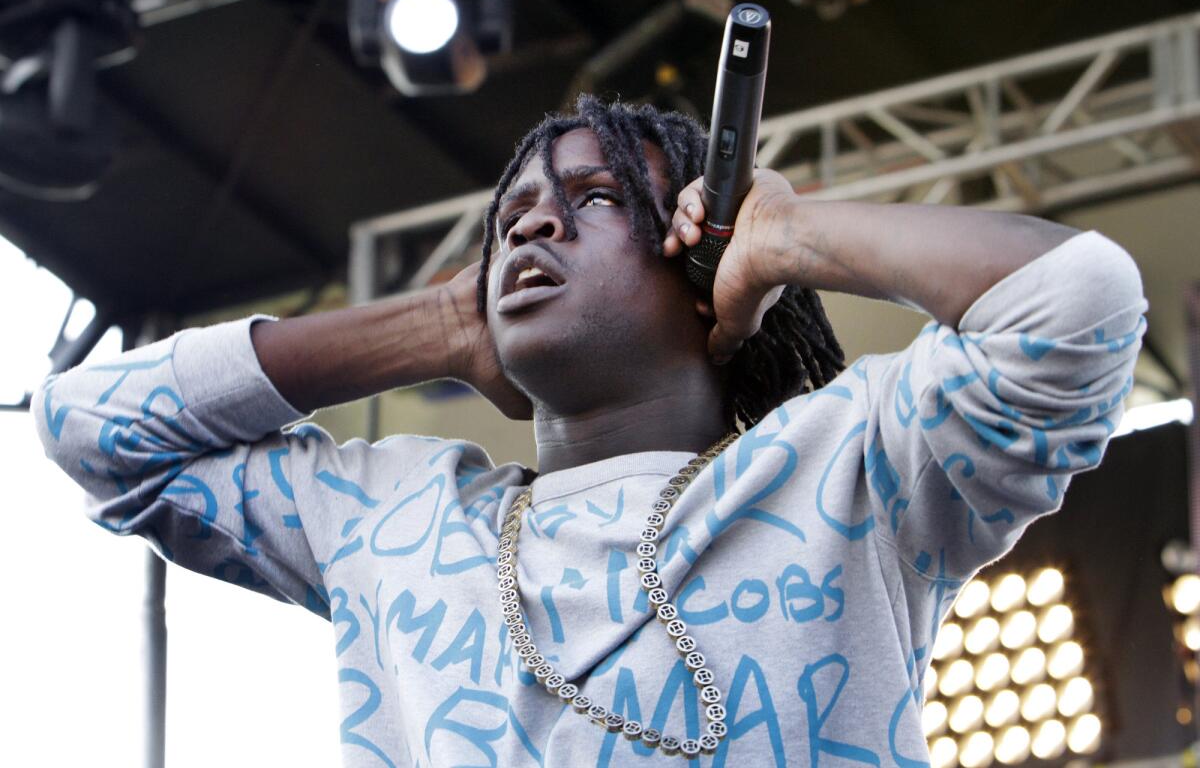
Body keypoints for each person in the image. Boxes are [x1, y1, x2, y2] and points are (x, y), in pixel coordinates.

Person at [34, 96, 1145, 766]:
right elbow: (90, 427)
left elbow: (1079, 304)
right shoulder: (393, 515)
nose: (533, 217)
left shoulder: (852, 465)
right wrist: (436, 320)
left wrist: (792, 237)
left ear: (700, 258)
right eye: (514, 210)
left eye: (600, 195)